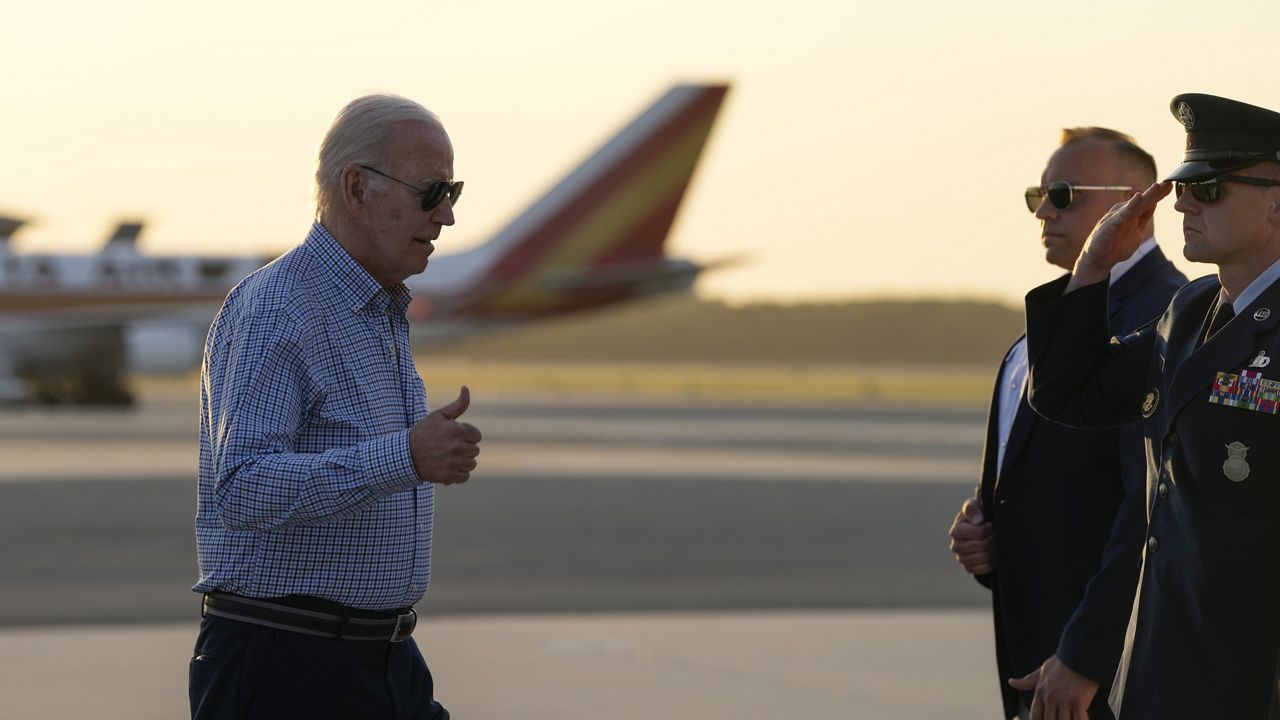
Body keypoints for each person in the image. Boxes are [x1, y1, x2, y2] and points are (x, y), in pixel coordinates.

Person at [188, 94, 479, 720]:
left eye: (453, 190)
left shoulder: (378, 311)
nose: (448, 215)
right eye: (431, 192)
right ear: (356, 188)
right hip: (287, 666)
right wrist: (403, 456)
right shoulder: (277, 311)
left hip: (384, 659)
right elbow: (240, 488)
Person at [1025, 93, 1280, 719]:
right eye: (1185, 184)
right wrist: (1093, 267)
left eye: (1210, 187)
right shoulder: (1189, 312)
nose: (1185, 201)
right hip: (1163, 666)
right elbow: (1066, 395)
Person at [948, 127, 1185, 720]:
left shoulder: (1173, 322)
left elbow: (1152, 515)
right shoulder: (1033, 339)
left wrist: (1086, 658)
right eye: (1039, 195)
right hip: (1038, 660)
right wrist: (986, 537)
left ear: (1135, 202)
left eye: (1064, 193)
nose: (1044, 212)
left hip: (1111, 671)